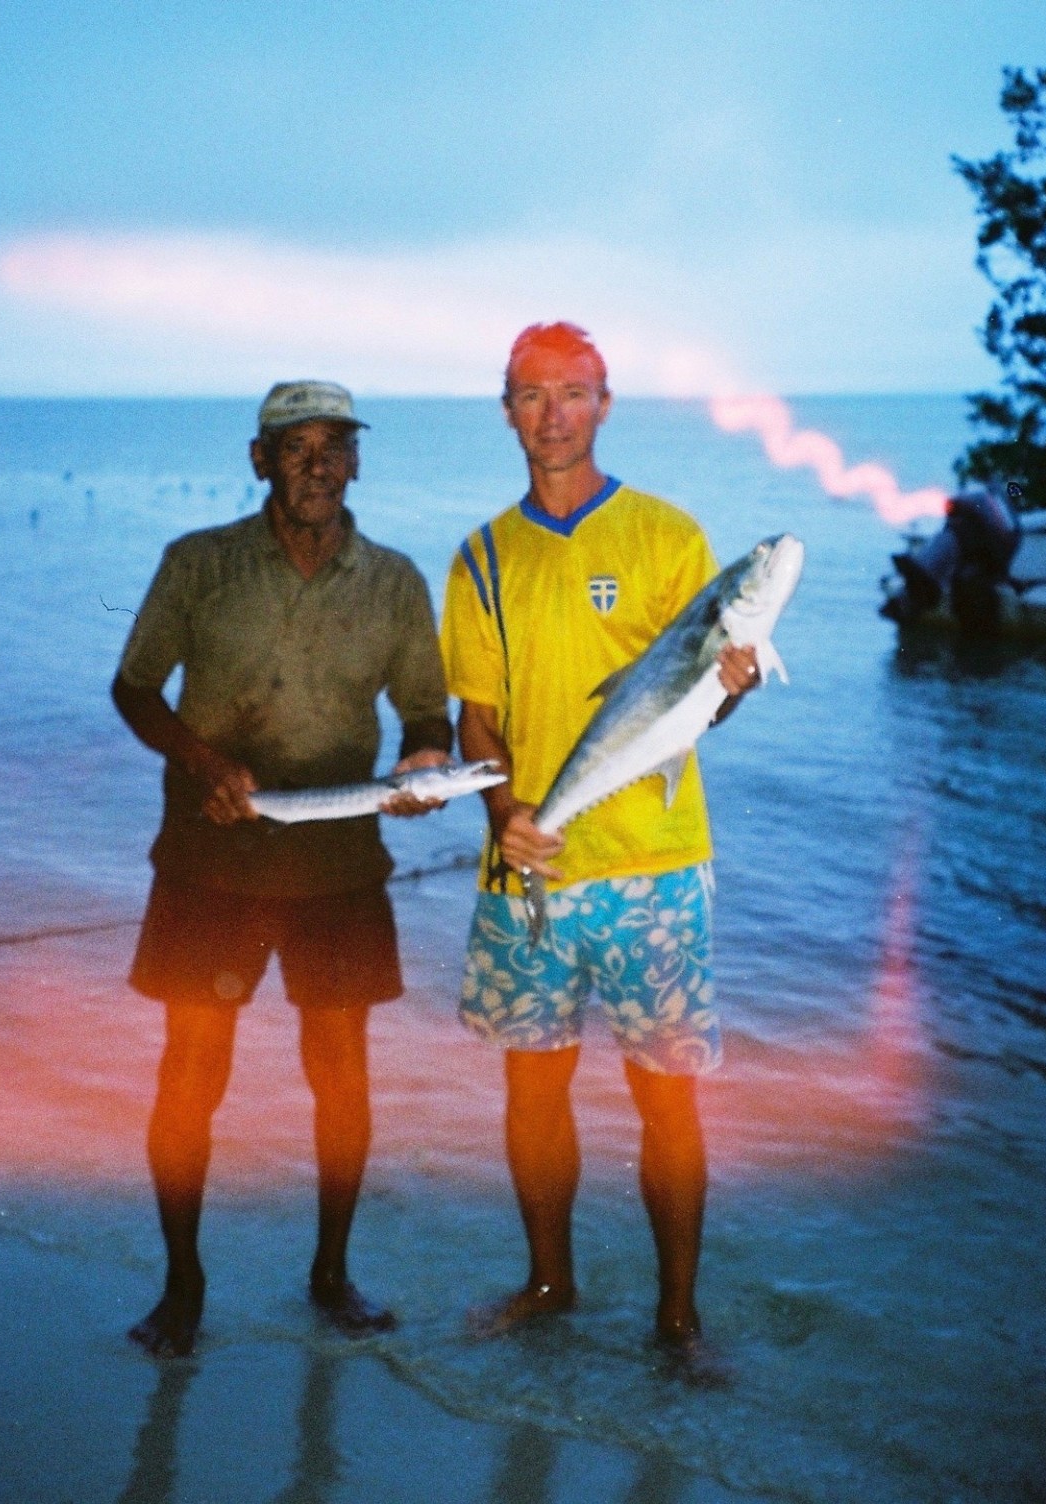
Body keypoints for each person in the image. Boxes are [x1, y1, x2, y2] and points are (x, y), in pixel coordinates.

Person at [439, 324, 759, 1380]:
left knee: (667, 1096)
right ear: (506, 411)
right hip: (528, 871)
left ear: (606, 404)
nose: (553, 414)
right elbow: (476, 716)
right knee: (533, 1093)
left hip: (655, 863)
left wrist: (728, 687)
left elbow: (696, 701)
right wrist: (503, 814)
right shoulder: (481, 558)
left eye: (573, 392)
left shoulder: (669, 536)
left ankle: (678, 1319)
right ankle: (548, 1284)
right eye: (532, 394)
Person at [112, 380, 452, 1357]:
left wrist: (426, 760)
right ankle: (182, 1285)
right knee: (191, 1074)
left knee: (342, 1077)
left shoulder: (394, 581)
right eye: (295, 447)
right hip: (209, 859)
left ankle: (332, 1273)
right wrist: (203, 763)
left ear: (357, 462)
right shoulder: (198, 563)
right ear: (259, 460)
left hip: (339, 864)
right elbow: (134, 690)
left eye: (333, 447)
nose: (317, 465)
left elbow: (424, 710)